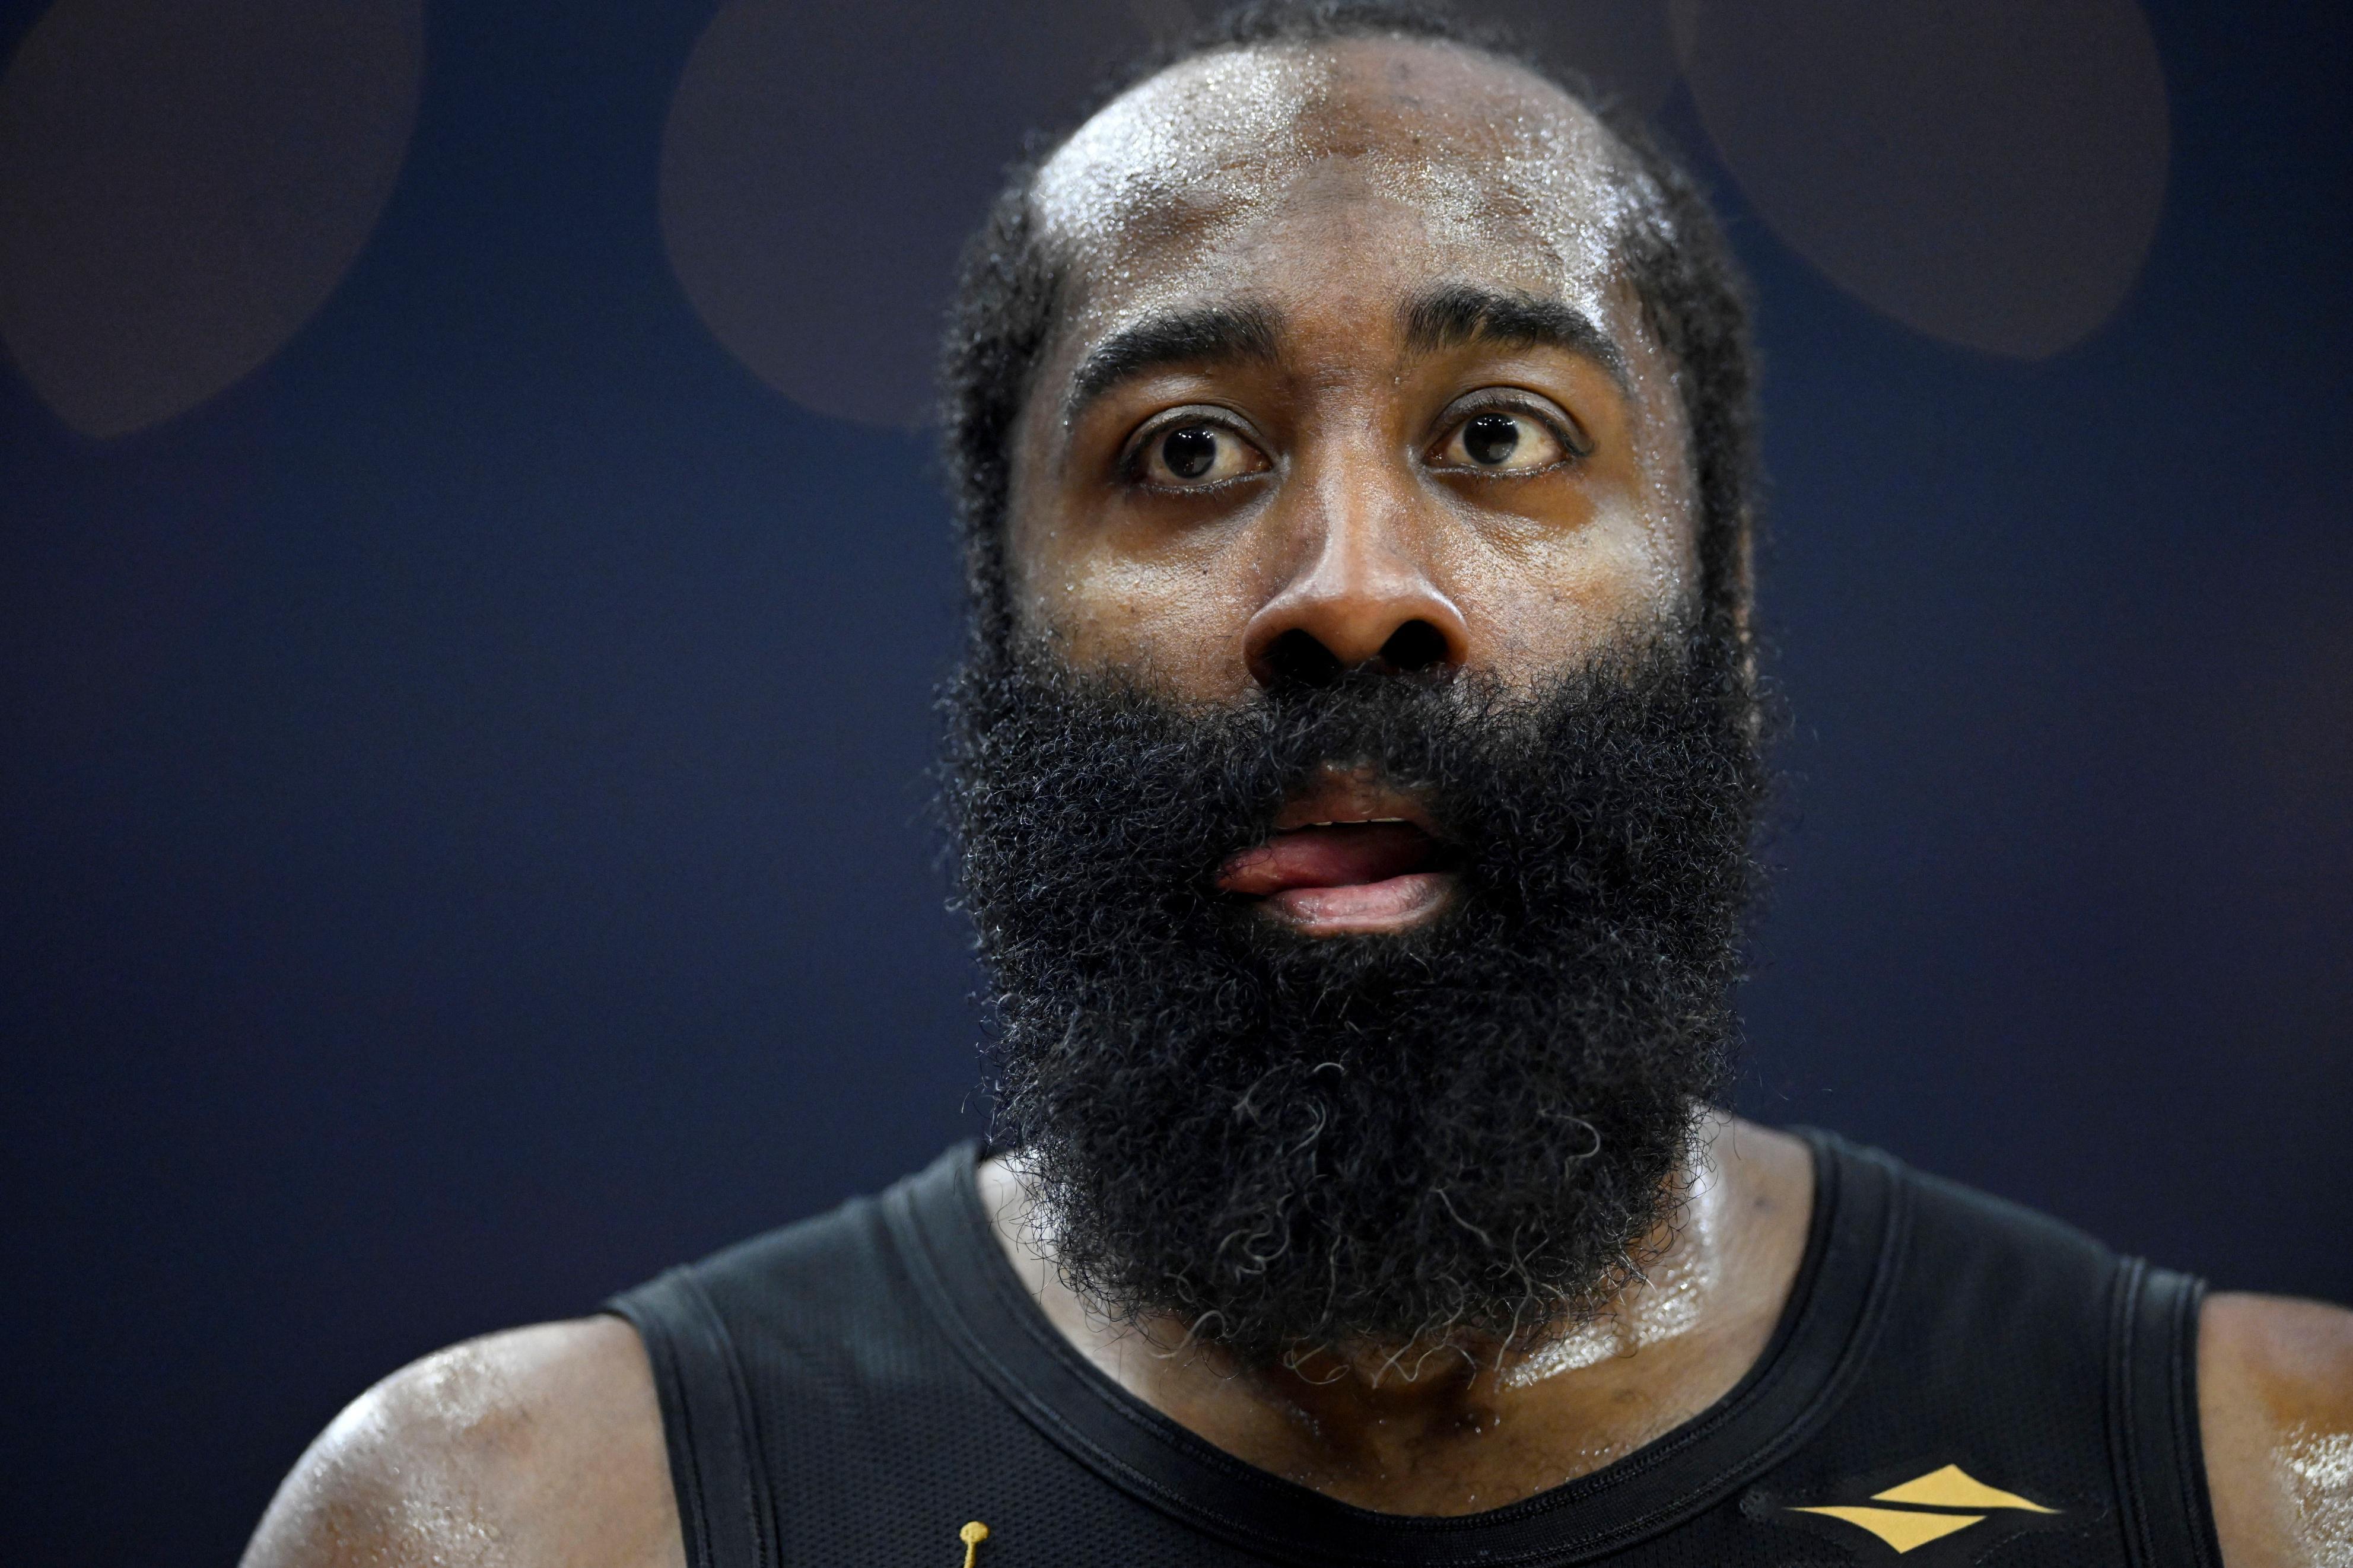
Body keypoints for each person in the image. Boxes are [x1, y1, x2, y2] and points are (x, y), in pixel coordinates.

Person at [241, 5, 2352, 1564]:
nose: (1351, 589)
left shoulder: (2279, 1485)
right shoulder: (521, 1522)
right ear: (1003, 627)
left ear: (1722, 605)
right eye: (1187, 449)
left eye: (1503, 434)